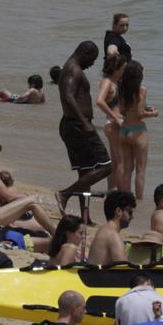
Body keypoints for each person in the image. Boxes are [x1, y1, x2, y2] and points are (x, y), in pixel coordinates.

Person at [54, 40, 112, 215]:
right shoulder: (73, 69)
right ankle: (65, 194)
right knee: (106, 166)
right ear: (85, 53)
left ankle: (85, 216)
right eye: (92, 59)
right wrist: (85, 122)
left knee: (85, 172)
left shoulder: (70, 67)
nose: (92, 63)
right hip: (78, 125)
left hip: (73, 124)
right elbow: (68, 96)